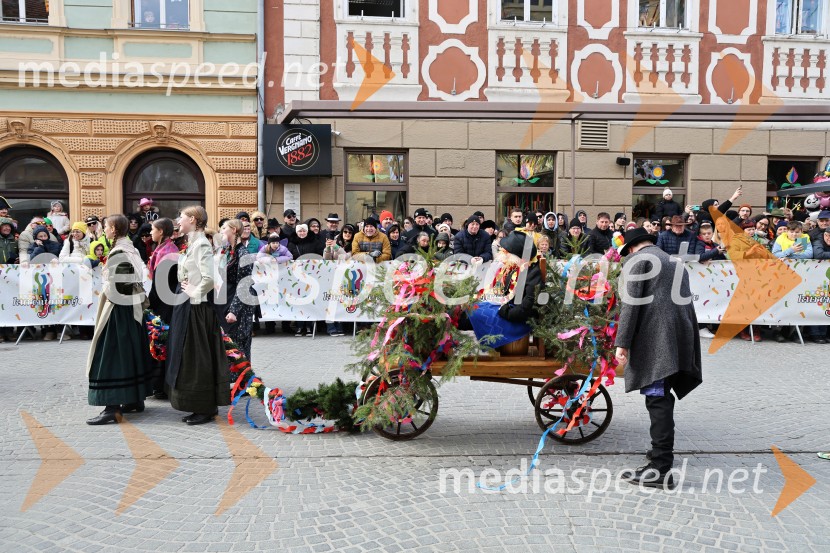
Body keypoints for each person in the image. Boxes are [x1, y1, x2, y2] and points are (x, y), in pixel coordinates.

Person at [615, 227, 702, 489]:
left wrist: (622, 343)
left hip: (658, 338)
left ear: (630, 248)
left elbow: (631, 305)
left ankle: (661, 468)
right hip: (680, 335)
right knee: (662, 395)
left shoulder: (638, 261)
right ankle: (657, 456)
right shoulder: (673, 261)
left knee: (657, 398)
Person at [85, 214, 152, 425]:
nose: (104, 229)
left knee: (111, 354)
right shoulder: (129, 248)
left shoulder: (120, 252)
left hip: (119, 309)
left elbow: (121, 284)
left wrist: (106, 288)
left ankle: (112, 407)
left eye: (106, 226)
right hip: (131, 307)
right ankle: (134, 399)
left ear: (113, 229)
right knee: (130, 350)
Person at [166, 205, 230, 426]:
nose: (178, 220)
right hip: (187, 304)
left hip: (196, 308)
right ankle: (198, 405)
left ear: (192, 220)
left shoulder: (201, 244)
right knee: (189, 356)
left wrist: (195, 292)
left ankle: (204, 407)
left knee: (197, 357)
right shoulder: (193, 243)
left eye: (181, 217)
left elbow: (210, 278)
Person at [215, 219, 257, 362]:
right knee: (229, 343)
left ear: (233, 230)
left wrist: (234, 310)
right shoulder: (230, 251)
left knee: (238, 344)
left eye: (224, 228)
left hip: (239, 306)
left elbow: (244, 284)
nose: (221, 231)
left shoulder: (243, 253)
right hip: (228, 300)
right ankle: (232, 378)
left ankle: (241, 379)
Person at [146, 217, 179, 399]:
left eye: (153, 229)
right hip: (164, 302)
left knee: (161, 342)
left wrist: (148, 304)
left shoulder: (167, 253)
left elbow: (161, 285)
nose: (151, 232)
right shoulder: (162, 249)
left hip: (165, 305)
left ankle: (161, 386)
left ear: (161, 232)